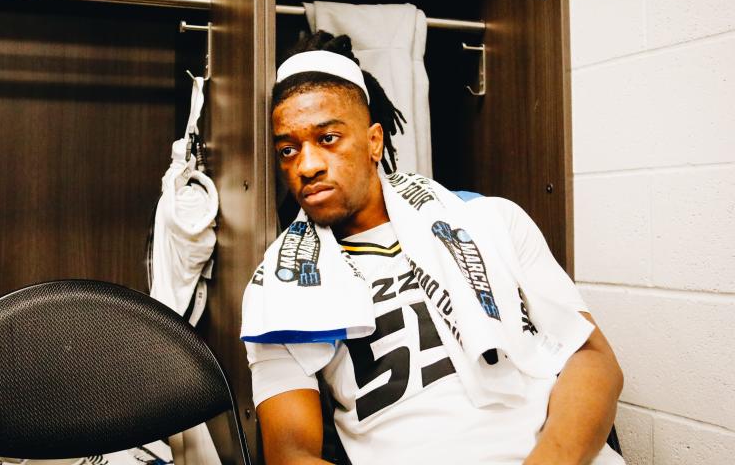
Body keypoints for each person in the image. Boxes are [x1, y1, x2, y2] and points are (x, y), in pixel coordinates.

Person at [241, 32, 624, 465]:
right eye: (288, 150)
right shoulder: (279, 287)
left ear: (373, 141)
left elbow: (593, 360)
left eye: (328, 138)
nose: (306, 166)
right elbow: (291, 454)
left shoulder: (489, 219)